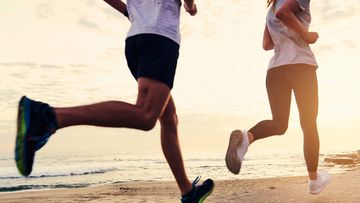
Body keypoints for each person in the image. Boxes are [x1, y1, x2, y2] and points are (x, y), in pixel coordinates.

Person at [15, 0, 214, 202]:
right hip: (160, 36)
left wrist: (130, 12)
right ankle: (48, 117)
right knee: (146, 116)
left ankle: (188, 192)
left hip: (136, 39)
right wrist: (191, 7)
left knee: (169, 118)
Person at [225, 0, 330, 194]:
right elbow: (284, 13)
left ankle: (247, 138)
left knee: (280, 124)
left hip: (275, 70)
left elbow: (266, 44)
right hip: (300, 66)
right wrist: (306, 35)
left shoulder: (270, 8)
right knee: (309, 123)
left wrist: (284, 33)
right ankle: (314, 180)